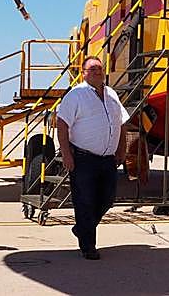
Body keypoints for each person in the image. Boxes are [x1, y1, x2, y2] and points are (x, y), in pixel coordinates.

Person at [54, 56, 128, 260]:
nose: (97, 72)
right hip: (83, 158)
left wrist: (122, 150)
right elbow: (62, 124)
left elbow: (121, 123)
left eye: (100, 68)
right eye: (92, 69)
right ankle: (88, 246)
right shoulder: (76, 95)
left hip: (108, 159)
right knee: (85, 201)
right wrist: (66, 154)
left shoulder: (112, 94)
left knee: (107, 199)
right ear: (83, 72)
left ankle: (82, 228)